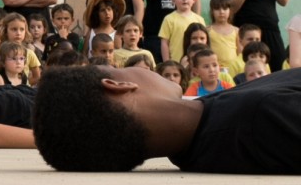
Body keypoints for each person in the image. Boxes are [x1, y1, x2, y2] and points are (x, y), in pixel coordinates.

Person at [34, 65, 301, 174]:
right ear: (118, 84)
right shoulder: (264, 117)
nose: (144, 68)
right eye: (122, 66)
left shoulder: (203, 132)